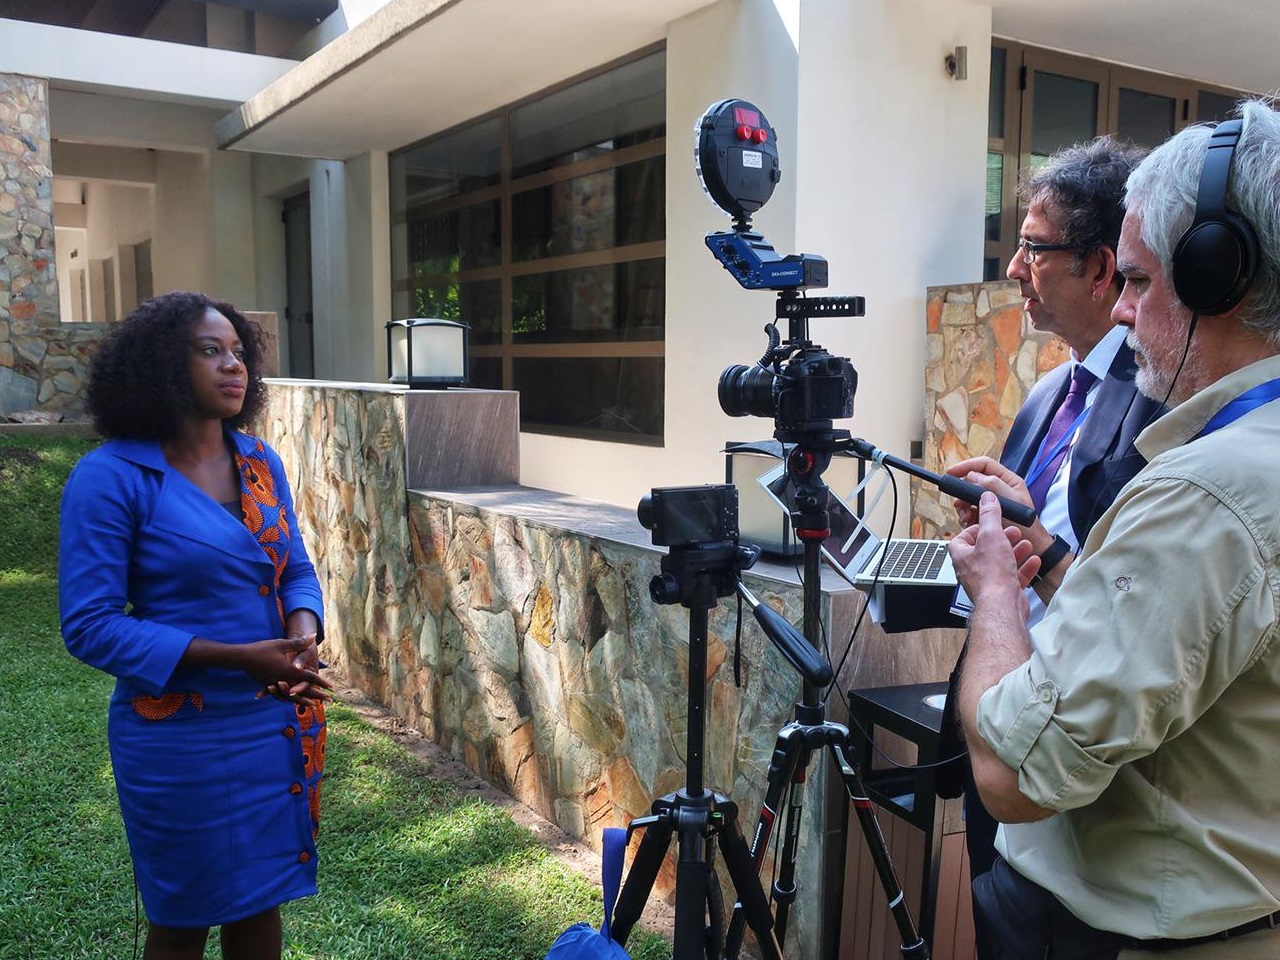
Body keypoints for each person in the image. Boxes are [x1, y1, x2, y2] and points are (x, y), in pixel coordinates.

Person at [950, 98, 1280, 958]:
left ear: (1220, 276)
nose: (1124, 311)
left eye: (1137, 280)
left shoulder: (1206, 493)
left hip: (1134, 932)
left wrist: (996, 589)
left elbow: (1016, 773)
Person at [934, 136, 1163, 955]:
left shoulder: (1158, 406)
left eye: (1032, 249)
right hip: (998, 722)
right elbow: (1030, 539)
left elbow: (1138, 603)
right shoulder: (1048, 392)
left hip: (1075, 775)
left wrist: (1041, 550)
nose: (1013, 271)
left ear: (1103, 269)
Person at [59, 291, 332, 960]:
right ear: (159, 365)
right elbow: (90, 626)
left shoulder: (260, 462)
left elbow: (293, 566)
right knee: (183, 917)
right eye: (209, 351)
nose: (232, 366)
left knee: (261, 900)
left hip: (272, 724)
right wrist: (241, 657)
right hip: (179, 737)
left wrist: (300, 640)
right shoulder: (111, 479)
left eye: (238, 352)